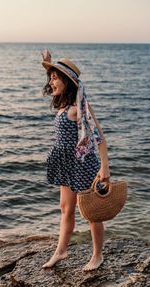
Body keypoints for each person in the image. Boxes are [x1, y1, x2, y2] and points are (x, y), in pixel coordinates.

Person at [41, 49, 110, 271]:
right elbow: (52, 82)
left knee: (91, 211)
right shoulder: (62, 105)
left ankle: (98, 255)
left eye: (55, 78)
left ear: (68, 82)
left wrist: (104, 168)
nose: (51, 82)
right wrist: (49, 65)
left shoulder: (78, 108)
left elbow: (99, 138)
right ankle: (61, 251)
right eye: (50, 78)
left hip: (82, 164)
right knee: (65, 208)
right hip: (65, 163)